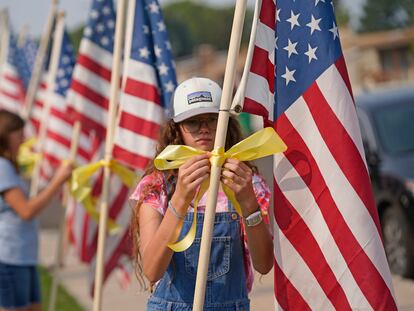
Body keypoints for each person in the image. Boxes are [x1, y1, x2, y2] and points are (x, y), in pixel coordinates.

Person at [130, 77, 273, 310]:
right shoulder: (157, 186)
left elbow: (264, 264)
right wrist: (180, 199)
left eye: (212, 120)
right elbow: (152, 270)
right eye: (193, 122)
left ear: (225, 122)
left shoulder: (247, 182)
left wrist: (248, 203)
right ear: (177, 128)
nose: (204, 129)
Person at [0, 110, 73, 311]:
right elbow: (26, 211)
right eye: (19, 135)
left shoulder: (8, 166)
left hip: (23, 255)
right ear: (5, 136)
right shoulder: (2, 166)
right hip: (9, 256)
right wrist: (56, 182)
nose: (24, 140)